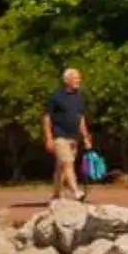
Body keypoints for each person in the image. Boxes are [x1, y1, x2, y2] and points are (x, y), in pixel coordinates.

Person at [42, 67, 91, 204]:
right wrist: (49, 138)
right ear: (67, 80)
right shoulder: (56, 97)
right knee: (68, 163)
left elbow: (80, 118)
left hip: (73, 136)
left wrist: (85, 136)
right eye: (76, 78)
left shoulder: (79, 97)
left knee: (61, 167)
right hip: (59, 135)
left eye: (79, 78)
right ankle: (76, 191)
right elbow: (47, 117)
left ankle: (56, 194)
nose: (79, 80)